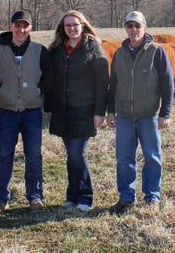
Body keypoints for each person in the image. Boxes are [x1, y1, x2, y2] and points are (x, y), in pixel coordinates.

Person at [0, 9, 51, 216]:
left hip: (31, 111)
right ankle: (0, 200)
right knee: (5, 156)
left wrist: (38, 92)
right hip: (7, 112)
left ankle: (35, 197)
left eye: (25, 25)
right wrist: (1, 91)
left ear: (31, 28)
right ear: (11, 26)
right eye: (17, 25)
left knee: (34, 156)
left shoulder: (40, 50)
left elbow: (48, 77)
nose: (21, 29)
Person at [106, 10, 174, 214]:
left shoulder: (157, 51)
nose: (134, 30)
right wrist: (111, 111)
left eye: (137, 26)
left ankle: (152, 197)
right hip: (125, 115)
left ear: (145, 28)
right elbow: (113, 84)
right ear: (126, 28)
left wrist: (166, 113)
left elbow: (168, 84)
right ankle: (126, 197)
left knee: (152, 157)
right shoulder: (119, 53)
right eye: (130, 26)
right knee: (124, 158)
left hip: (149, 115)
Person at [46, 11, 109, 213]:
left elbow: (102, 83)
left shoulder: (94, 48)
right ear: (62, 28)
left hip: (85, 110)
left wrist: (100, 112)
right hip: (63, 110)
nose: (72, 29)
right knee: (70, 155)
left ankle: (85, 196)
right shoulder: (56, 50)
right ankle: (71, 196)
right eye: (67, 26)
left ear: (83, 25)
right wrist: (48, 108)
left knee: (77, 153)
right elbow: (50, 81)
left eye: (75, 25)